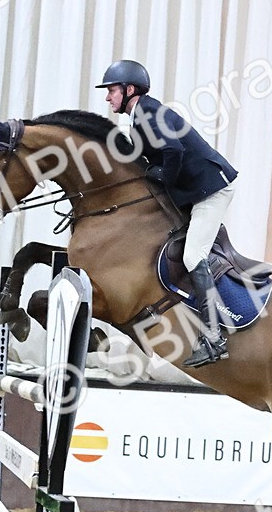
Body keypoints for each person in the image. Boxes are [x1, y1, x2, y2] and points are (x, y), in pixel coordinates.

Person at [97, 59, 238, 368]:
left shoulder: (147, 113)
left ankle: (214, 339)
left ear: (129, 89)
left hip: (212, 190)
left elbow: (173, 150)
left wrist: (162, 176)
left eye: (111, 90)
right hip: (196, 189)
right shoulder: (141, 114)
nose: (107, 97)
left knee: (193, 257)